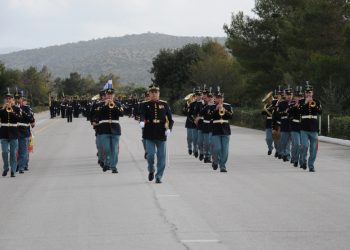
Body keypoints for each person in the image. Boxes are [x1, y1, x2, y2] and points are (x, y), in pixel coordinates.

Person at [140, 83, 174, 183]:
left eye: (156, 92)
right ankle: (151, 169)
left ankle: (159, 176)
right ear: (149, 94)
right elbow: (142, 114)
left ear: (159, 94)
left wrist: (169, 129)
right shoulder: (145, 104)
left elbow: (170, 119)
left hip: (161, 132)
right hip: (149, 132)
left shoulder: (164, 104)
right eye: (152, 92)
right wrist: (142, 121)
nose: (154, 94)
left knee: (161, 157)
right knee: (150, 155)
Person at [94, 88, 123, 173]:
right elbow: (96, 114)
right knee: (106, 148)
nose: (110, 96)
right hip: (104, 129)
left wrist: (114, 105)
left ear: (114, 95)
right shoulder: (100, 104)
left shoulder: (118, 104)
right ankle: (107, 162)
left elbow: (121, 113)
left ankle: (114, 166)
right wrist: (104, 105)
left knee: (114, 149)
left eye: (111, 94)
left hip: (115, 129)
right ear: (105, 95)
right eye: (108, 94)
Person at [299, 83, 322, 172]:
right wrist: (305, 103)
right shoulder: (301, 102)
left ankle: (311, 165)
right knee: (304, 146)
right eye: (307, 92)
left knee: (313, 148)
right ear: (305, 93)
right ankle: (303, 161)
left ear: (312, 93)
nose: (308, 94)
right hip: (304, 127)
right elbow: (300, 111)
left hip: (313, 128)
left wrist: (314, 105)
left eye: (310, 92)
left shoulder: (317, 101)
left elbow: (320, 112)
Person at [210, 89, 233, 172]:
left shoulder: (228, 106)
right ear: (215, 98)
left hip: (225, 129)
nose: (219, 99)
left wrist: (224, 109)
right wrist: (216, 109)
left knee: (225, 150)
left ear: (223, 98)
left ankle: (222, 165)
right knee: (217, 148)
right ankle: (215, 161)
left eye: (221, 98)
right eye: (218, 98)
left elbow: (231, 116)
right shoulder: (212, 106)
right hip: (216, 129)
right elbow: (210, 116)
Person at [0, 89, 21, 177]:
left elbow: (18, 119)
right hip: (4, 133)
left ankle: (13, 170)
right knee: (4, 152)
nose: (8, 100)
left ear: (13, 100)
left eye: (10, 99)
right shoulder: (2, 109)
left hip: (14, 133)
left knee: (13, 153)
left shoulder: (16, 108)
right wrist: (3, 109)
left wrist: (11, 111)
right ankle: (6, 168)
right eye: (7, 99)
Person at [14, 90, 35, 174]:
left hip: (23, 131)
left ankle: (22, 166)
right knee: (16, 150)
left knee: (23, 150)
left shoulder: (26, 108)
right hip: (14, 132)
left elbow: (30, 118)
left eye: (18, 98)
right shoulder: (12, 107)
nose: (17, 100)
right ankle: (17, 165)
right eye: (15, 98)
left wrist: (21, 110)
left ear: (21, 98)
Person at [288, 86, 303, 167]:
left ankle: (301, 161)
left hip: (303, 127)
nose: (299, 98)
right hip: (294, 126)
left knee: (302, 145)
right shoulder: (292, 105)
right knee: (296, 144)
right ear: (295, 97)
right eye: (297, 97)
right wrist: (295, 106)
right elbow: (288, 114)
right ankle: (295, 159)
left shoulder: (305, 105)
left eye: (301, 96)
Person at [200, 89, 215, 163]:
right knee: (206, 142)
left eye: (212, 98)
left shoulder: (216, 106)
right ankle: (207, 156)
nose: (211, 99)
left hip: (213, 125)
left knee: (212, 142)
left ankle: (212, 156)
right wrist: (205, 105)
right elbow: (201, 113)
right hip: (206, 125)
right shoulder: (206, 106)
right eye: (210, 98)